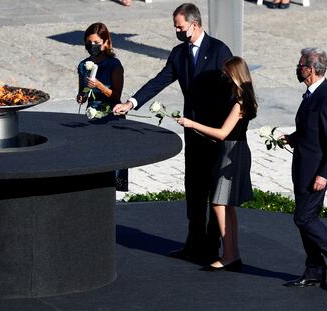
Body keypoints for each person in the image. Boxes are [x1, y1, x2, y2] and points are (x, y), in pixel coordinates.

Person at [113, 3, 232, 263]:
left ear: (195, 24)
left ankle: (212, 247)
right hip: (192, 132)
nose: (177, 31)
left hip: (214, 132)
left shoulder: (218, 50)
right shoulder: (179, 53)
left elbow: (231, 88)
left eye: (180, 27)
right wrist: (131, 103)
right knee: (194, 188)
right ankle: (194, 243)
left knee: (214, 190)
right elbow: (159, 80)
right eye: (176, 27)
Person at [176, 56, 257, 271]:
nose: (223, 76)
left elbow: (222, 133)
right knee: (227, 206)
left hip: (231, 153)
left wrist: (192, 123)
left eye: (226, 73)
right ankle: (232, 253)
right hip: (236, 150)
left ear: (234, 73)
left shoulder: (239, 101)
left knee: (219, 203)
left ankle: (229, 255)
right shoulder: (244, 96)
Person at [283, 48, 327, 288]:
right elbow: (313, 130)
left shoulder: (325, 96)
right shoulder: (311, 94)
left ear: (310, 69)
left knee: (304, 218)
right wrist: (293, 138)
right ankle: (314, 270)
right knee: (304, 218)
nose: (297, 69)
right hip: (302, 167)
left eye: (300, 65)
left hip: (316, 173)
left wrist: (324, 174)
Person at [77, 22, 128, 191]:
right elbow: (82, 92)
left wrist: (99, 85)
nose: (92, 46)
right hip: (92, 115)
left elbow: (116, 96)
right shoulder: (83, 65)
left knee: (112, 159)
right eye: (89, 43)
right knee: (93, 158)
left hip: (111, 115)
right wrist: (81, 96)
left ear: (105, 43)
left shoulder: (114, 65)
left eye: (96, 43)